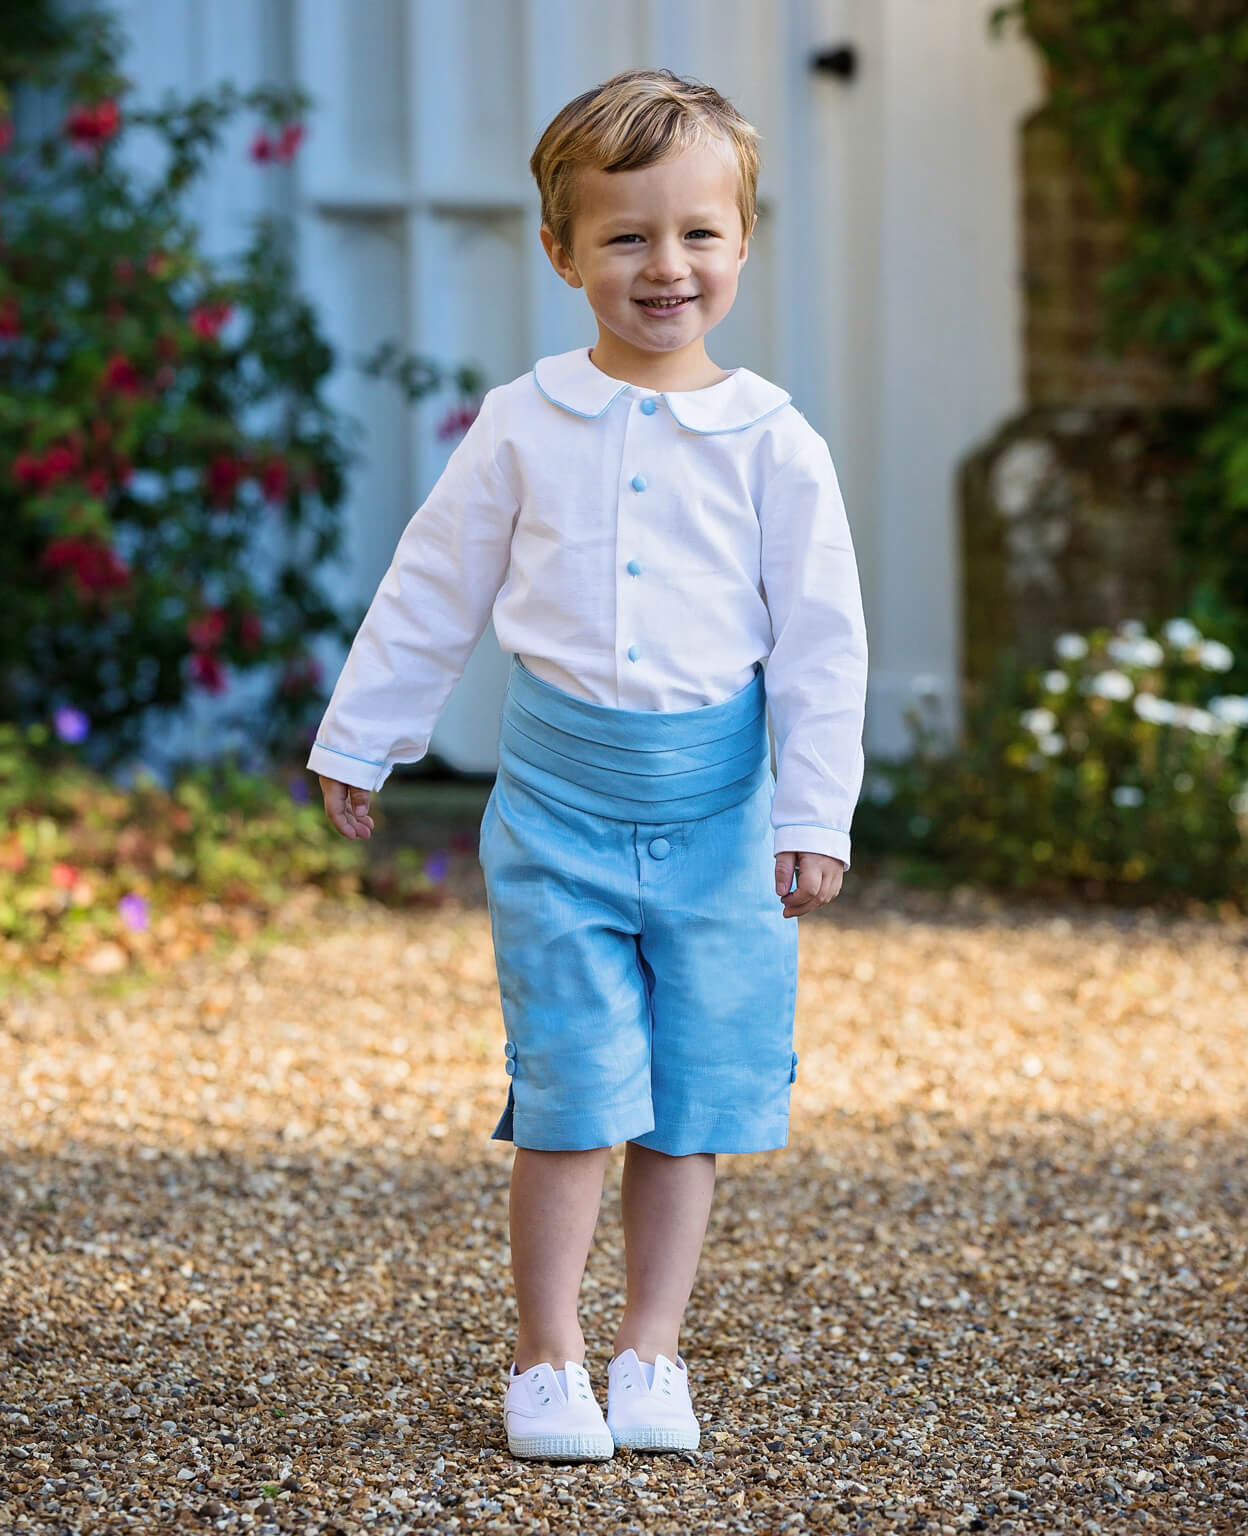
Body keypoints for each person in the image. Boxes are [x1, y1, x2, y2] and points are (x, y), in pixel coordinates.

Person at [307, 66, 868, 1462]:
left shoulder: (774, 443)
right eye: (625, 237)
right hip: (555, 810)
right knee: (569, 1088)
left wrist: (816, 811)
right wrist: (364, 736)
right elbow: (431, 585)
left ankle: (649, 1355)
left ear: (742, 244)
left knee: (692, 1102)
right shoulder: (523, 421)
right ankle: (548, 1356)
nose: (663, 267)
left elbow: (821, 642)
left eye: (695, 234)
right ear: (561, 252)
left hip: (725, 819)